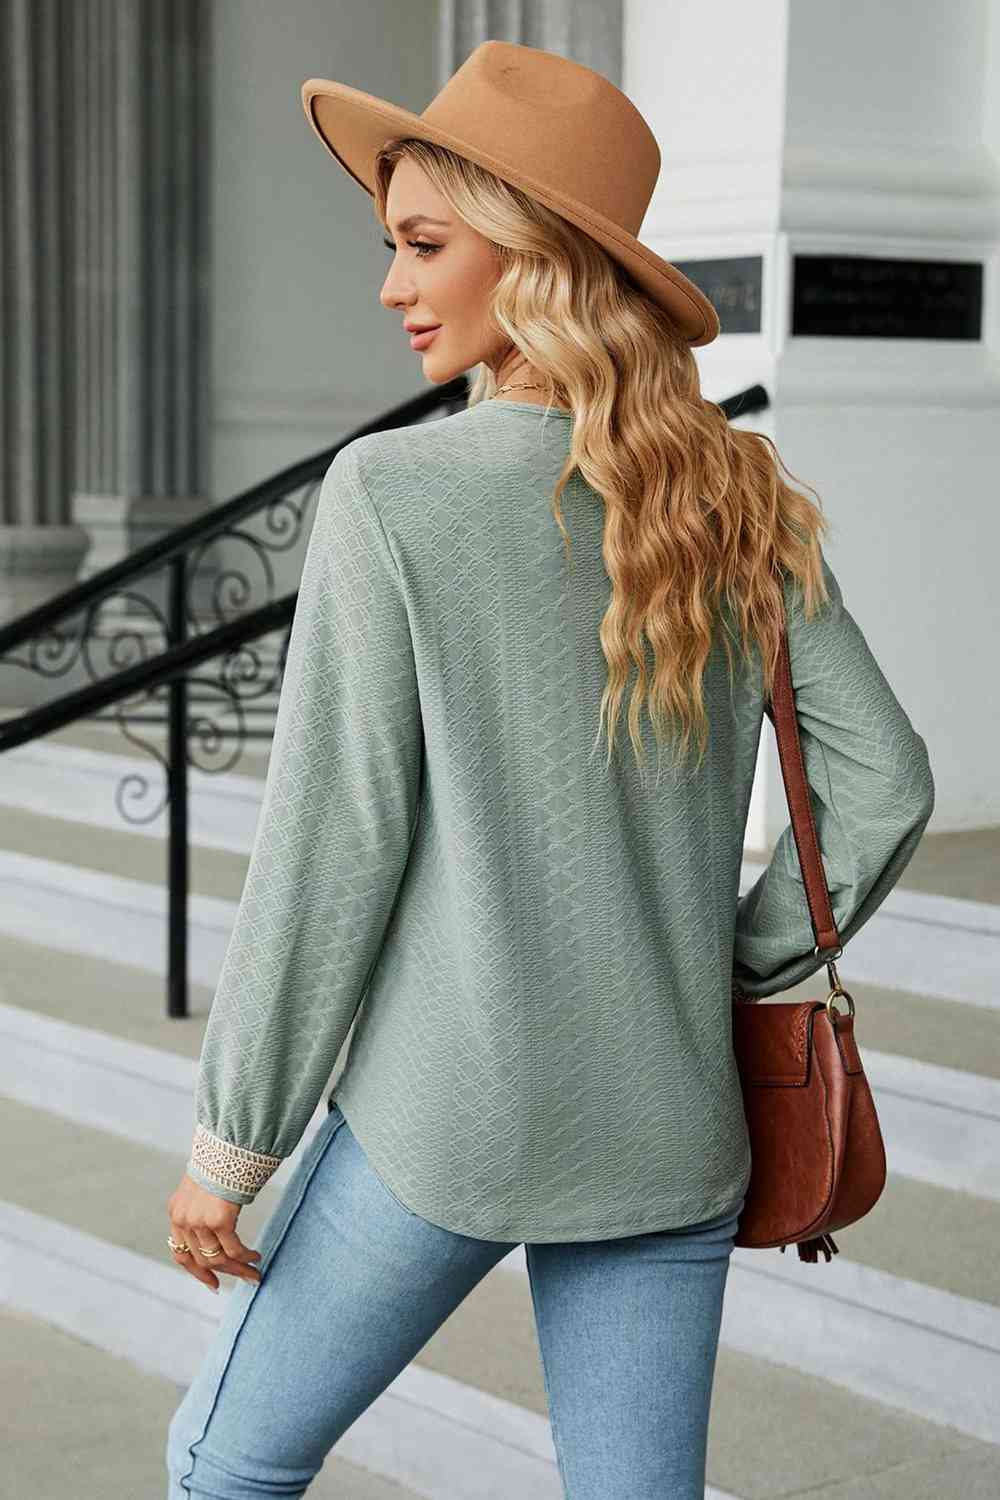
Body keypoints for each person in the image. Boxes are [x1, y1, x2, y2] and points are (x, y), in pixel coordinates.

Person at [165, 42, 935, 1500]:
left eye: (423, 245)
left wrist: (234, 1145)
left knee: (222, 1467)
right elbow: (885, 782)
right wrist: (734, 965)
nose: (392, 286)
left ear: (531, 256)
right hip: (670, 1120)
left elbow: (334, 846)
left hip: (449, 1118)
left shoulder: (392, 493)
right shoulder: (737, 497)